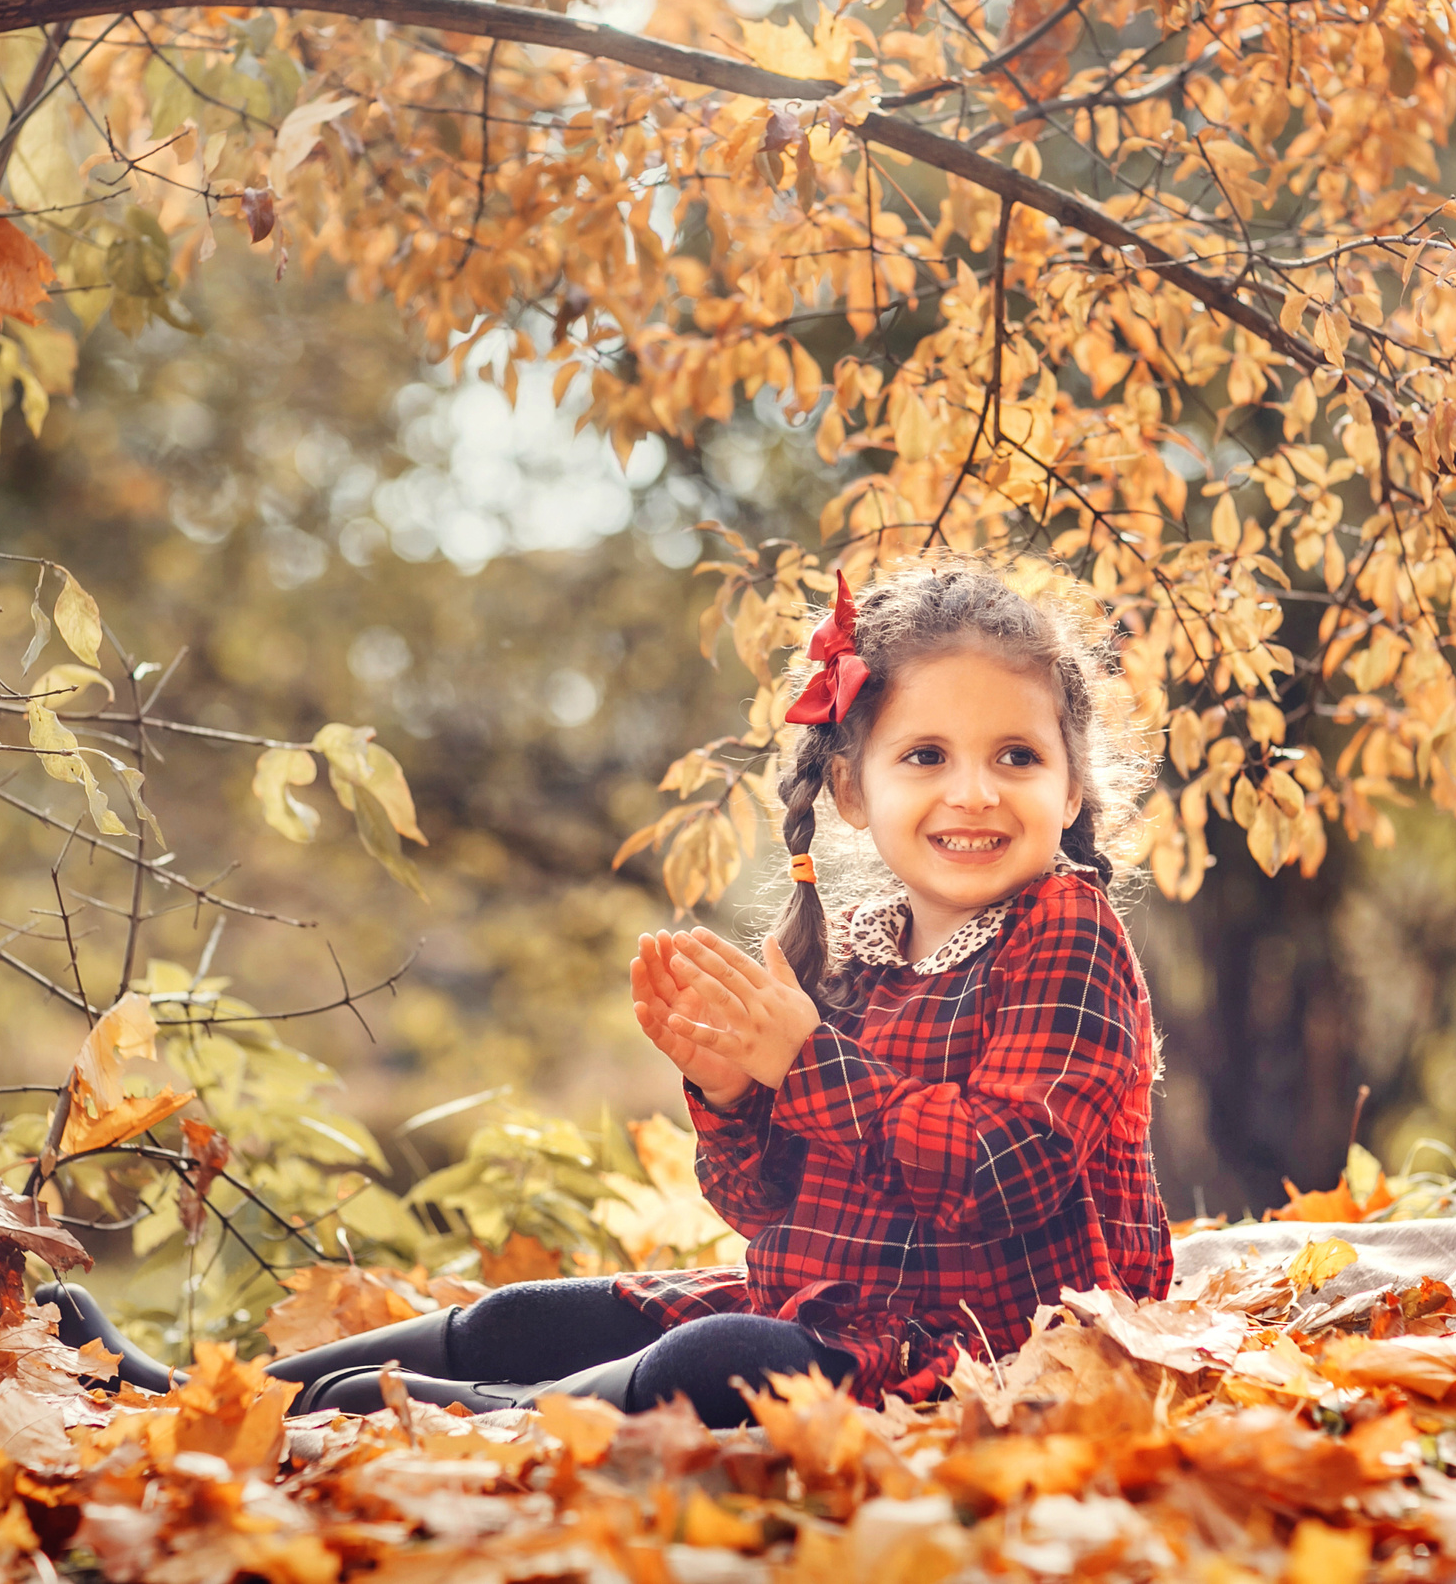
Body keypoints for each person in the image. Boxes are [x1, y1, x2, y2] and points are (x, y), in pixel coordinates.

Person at [263, 560, 1169, 1424]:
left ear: (1072, 781)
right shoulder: (852, 947)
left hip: (992, 1341)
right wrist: (732, 1096)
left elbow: (1008, 1175)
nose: (974, 792)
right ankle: (211, 1389)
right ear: (852, 790)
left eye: (1016, 756)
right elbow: (765, 1208)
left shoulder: (1066, 928)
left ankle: (460, 1410)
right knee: (524, 1314)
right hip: (838, 1309)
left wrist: (807, 1062)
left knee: (715, 1358)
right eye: (926, 755)